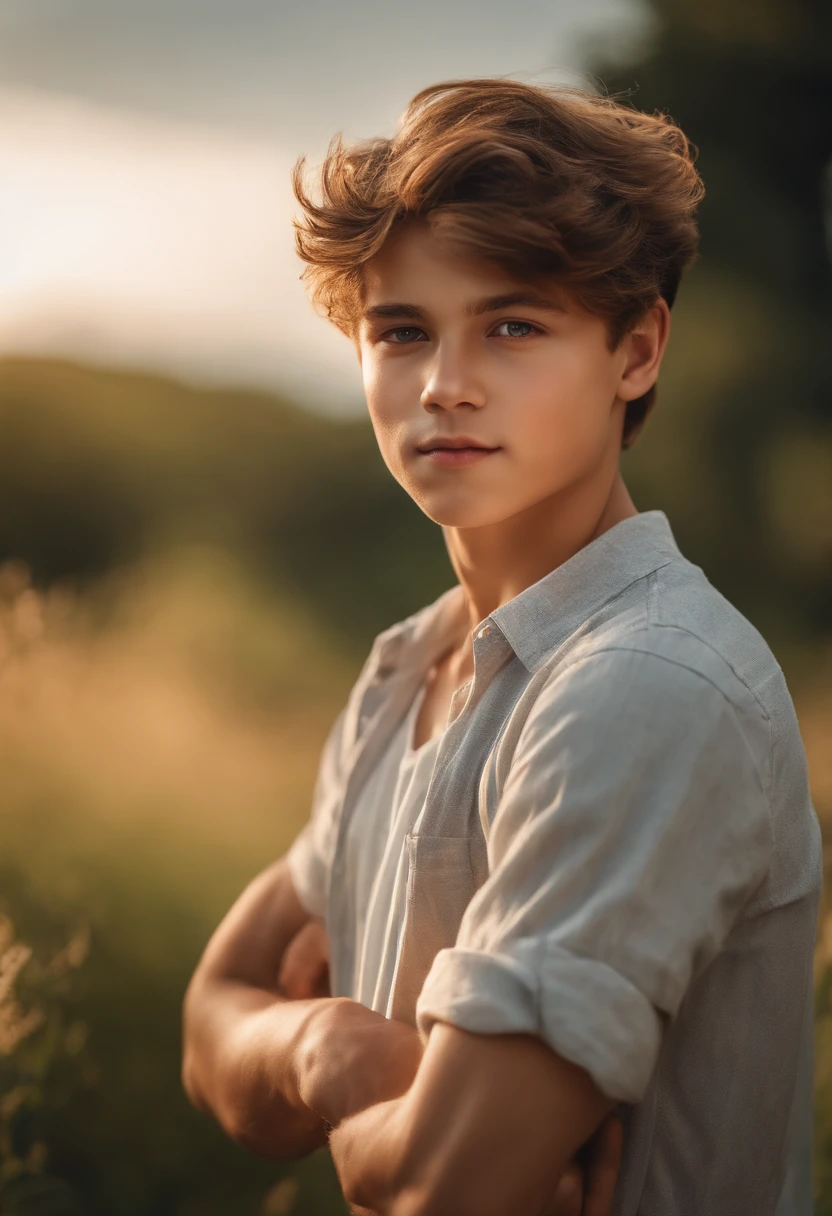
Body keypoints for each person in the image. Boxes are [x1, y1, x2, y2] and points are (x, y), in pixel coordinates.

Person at [181, 77, 821, 1215]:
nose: (445, 385)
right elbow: (211, 1017)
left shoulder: (646, 684)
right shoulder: (410, 669)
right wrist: (330, 1049)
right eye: (402, 330)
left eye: (513, 323)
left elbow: (445, 1184)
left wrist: (380, 1140)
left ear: (636, 351)